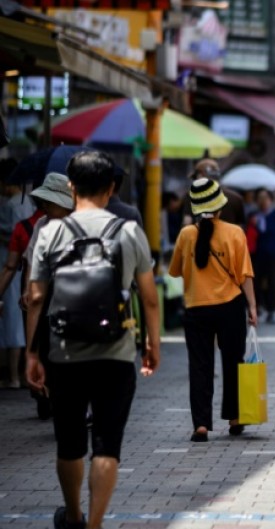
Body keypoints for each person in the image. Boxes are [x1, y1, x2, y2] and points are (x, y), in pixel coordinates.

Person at [24, 151, 161, 529]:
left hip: (63, 352)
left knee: (69, 442)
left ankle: (74, 515)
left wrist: (32, 354)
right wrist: (152, 345)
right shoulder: (128, 231)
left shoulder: (49, 232)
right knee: (107, 444)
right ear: (112, 187)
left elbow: (36, 297)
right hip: (115, 352)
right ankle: (96, 523)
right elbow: (148, 297)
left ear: (70, 187)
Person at [169, 178, 257, 442]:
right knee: (233, 363)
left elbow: (175, 271)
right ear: (220, 206)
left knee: (199, 366)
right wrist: (252, 306)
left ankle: (201, 425)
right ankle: (234, 417)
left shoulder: (186, 234)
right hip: (230, 306)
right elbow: (244, 275)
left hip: (196, 307)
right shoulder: (234, 232)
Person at [0, 173, 73, 415]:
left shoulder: (80, 225)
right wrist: (28, 290)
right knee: (49, 355)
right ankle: (54, 399)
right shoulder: (41, 225)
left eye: (51, 203)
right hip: (49, 300)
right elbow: (32, 262)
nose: (46, 207)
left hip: (76, 302)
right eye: (46, 203)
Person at [0, 176, 35, 388]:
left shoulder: (14, 206)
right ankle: (19, 374)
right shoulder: (28, 203)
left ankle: (14, 375)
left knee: (13, 319)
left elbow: (12, 260)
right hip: (22, 269)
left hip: (12, 266)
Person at [249, 189, 275, 324]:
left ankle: (272, 311)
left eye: (266, 198)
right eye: (260, 198)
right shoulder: (253, 215)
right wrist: (251, 225)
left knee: (274, 282)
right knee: (256, 282)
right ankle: (257, 308)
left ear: (271, 200)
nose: (263, 201)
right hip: (257, 254)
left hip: (274, 253)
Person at [181, 159, 246, 228]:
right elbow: (240, 227)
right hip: (229, 238)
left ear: (200, 176)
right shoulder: (236, 198)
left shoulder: (192, 196)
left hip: (202, 238)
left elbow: (187, 222)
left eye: (195, 178)